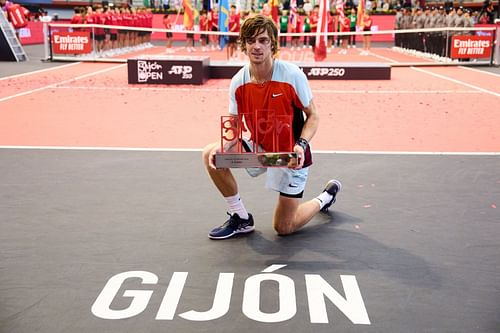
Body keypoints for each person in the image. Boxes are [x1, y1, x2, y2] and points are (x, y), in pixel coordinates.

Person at [202, 15, 342, 240]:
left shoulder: (291, 75)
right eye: (251, 40)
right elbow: (233, 125)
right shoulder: (238, 81)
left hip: (289, 156)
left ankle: (325, 197)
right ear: (244, 45)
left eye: (263, 40)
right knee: (210, 154)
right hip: (261, 152)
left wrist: (301, 145)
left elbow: (313, 116)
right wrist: (223, 145)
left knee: (284, 227)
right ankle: (241, 218)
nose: (256, 46)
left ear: (273, 44)